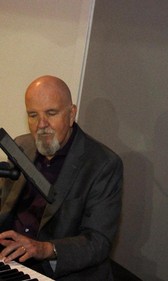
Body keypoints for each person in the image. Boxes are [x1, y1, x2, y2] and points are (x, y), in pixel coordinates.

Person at [0, 75, 123, 280]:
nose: (41, 124)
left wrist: (45, 249)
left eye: (51, 113)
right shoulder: (21, 146)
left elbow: (98, 242)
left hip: (58, 272)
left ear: (71, 114)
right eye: (33, 115)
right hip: (10, 262)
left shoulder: (103, 164)